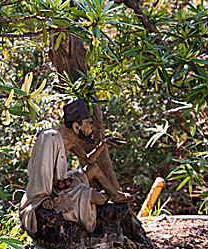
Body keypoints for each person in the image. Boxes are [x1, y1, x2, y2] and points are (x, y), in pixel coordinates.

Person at [19, 99, 129, 235]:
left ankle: (115, 195)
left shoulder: (71, 139)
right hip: (54, 190)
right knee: (99, 199)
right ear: (77, 127)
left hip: (65, 181)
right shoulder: (50, 137)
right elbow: (39, 174)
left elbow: (89, 159)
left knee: (93, 168)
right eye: (89, 124)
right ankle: (95, 197)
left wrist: (104, 143)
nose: (93, 129)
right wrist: (43, 198)